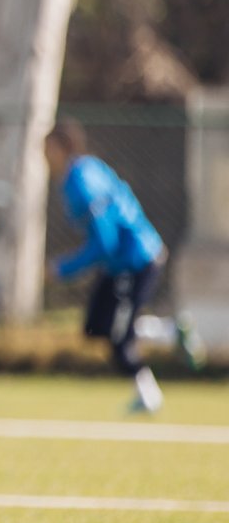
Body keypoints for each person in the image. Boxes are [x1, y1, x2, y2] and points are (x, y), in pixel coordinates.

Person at [44, 118, 203, 414]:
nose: (44, 157)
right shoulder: (84, 171)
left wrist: (63, 268)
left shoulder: (82, 182)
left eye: (47, 149)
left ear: (61, 147)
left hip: (135, 261)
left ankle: (149, 396)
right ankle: (169, 333)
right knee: (94, 327)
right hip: (120, 264)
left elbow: (106, 242)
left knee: (119, 337)